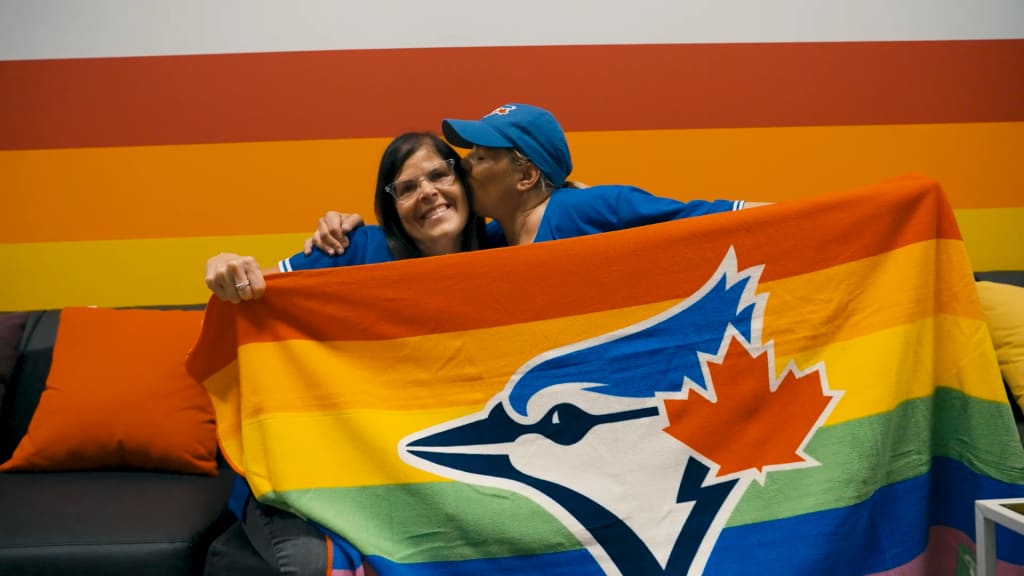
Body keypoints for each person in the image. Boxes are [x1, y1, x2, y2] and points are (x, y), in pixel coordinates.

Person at [202, 131, 488, 576]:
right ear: (390, 207)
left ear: (464, 180)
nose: (428, 192)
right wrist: (225, 267)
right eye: (407, 187)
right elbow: (256, 293)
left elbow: (583, 219)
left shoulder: (505, 251)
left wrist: (569, 194)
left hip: (423, 475)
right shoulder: (354, 250)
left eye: (438, 174)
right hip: (321, 468)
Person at [307, 103, 766, 254]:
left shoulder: (593, 209)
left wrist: (827, 220)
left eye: (481, 157)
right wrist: (336, 223)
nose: (464, 166)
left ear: (525, 175)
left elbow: (716, 219)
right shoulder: (488, 243)